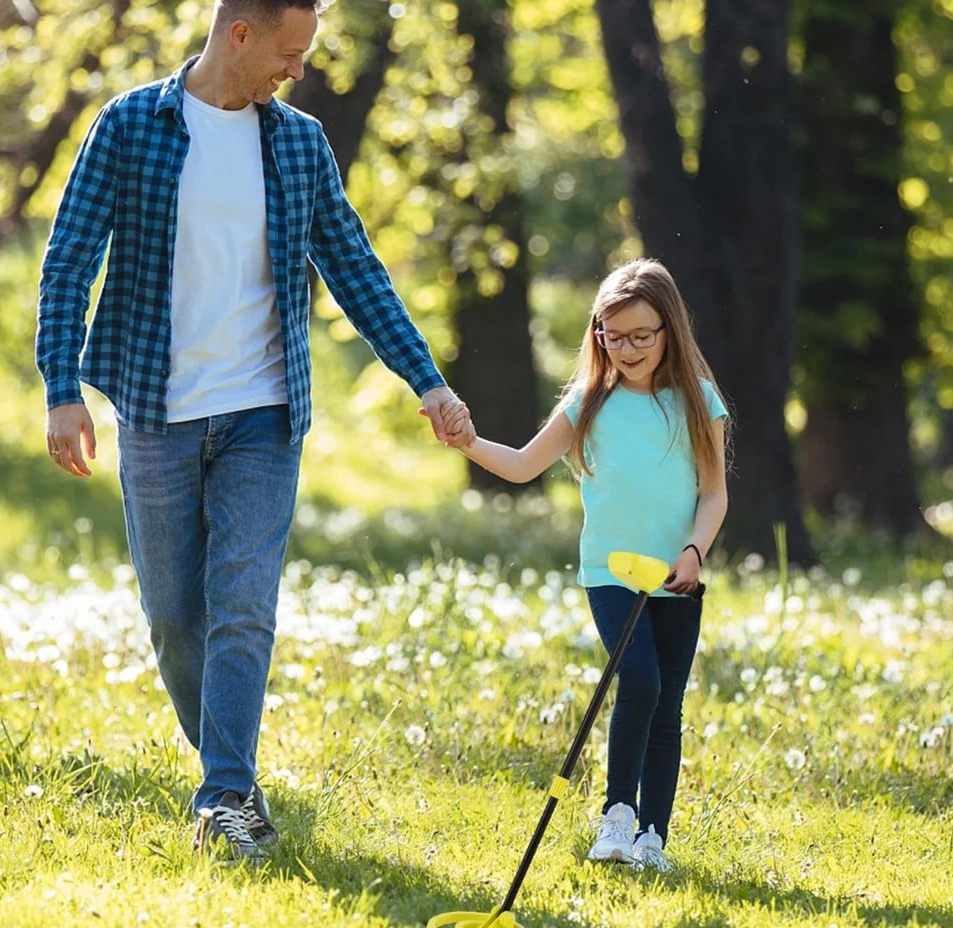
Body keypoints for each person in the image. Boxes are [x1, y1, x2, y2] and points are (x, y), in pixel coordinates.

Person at [35, 0, 475, 861]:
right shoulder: (130, 127)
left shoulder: (299, 143)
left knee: (242, 606)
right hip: (156, 413)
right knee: (172, 616)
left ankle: (225, 795)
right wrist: (61, 388)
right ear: (239, 33)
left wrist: (425, 379)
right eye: (290, 51)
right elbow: (68, 258)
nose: (297, 70)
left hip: (264, 416)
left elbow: (353, 265)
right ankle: (231, 772)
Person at [437, 258, 728, 871]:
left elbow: (714, 493)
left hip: (679, 574)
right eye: (611, 334)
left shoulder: (699, 402)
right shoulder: (588, 403)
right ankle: (616, 817)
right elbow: (521, 465)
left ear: (669, 329)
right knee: (640, 681)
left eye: (639, 335)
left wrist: (695, 551)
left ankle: (654, 835)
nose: (624, 348)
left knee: (667, 703)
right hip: (611, 571)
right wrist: (468, 444)